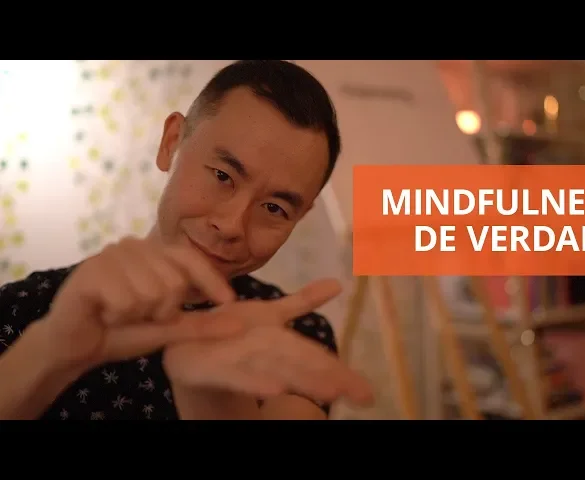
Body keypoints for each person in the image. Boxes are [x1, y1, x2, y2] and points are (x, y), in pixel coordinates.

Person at [0, 60, 374, 420]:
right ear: (172, 142)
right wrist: (52, 350)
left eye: (274, 208)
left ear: (300, 216)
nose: (232, 225)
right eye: (223, 176)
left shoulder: (295, 333)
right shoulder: (24, 307)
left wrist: (212, 396)